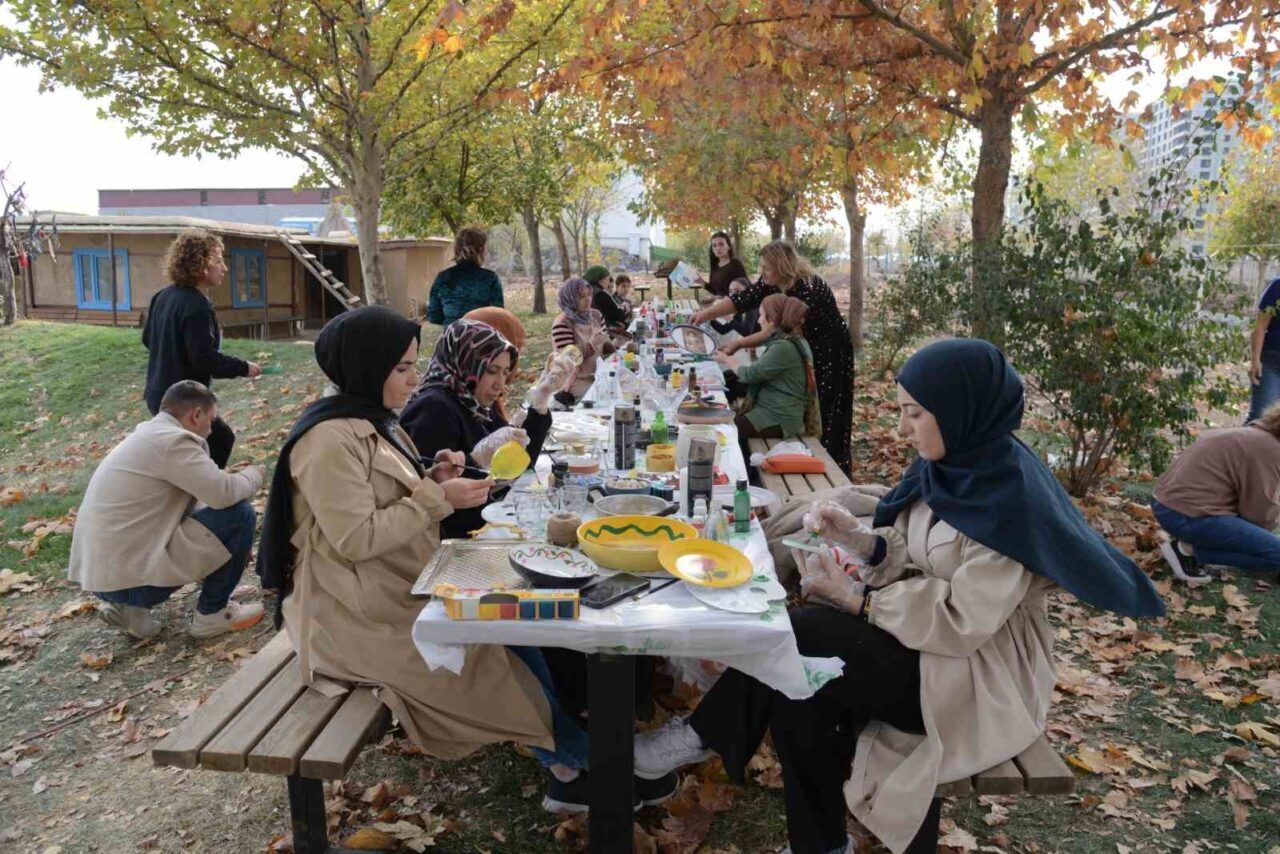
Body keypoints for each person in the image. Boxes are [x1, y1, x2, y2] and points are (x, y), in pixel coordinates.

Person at [633, 339, 1165, 854]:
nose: (903, 427)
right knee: (799, 691)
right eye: (901, 412)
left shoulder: (1009, 503)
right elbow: (916, 553)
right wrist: (858, 539)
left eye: (915, 414)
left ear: (959, 410)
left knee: (800, 633)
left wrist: (856, 601)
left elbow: (963, 622)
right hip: (924, 644)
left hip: (976, 674)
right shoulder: (954, 464)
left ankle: (697, 737)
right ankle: (819, 844)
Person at [255, 306, 654, 812]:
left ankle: (571, 751)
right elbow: (355, 537)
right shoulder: (328, 441)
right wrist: (437, 498)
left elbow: (392, 501)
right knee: (487, 653)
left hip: (396, 582)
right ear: (365, 366)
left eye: (413, 366)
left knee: (510, 626)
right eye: (400, 368)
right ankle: (582, 764)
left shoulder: (367, 420)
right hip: (352, 614)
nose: (413, 378)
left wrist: (437, 479)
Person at [67, 380, 264, 640]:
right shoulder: (173, 442)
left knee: (212, 519)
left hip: (104, 578)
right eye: (211, 419)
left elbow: (201, 504)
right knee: (239, 514)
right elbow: (224, 494)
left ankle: (130, 611)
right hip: (131, 583)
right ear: (196, 415)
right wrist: (254, 474)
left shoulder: (149, 436)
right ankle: (212, 613)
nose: (210, 428)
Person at [401, 318, 573, 539]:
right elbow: (441, 508)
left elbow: (520, 462)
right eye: (491, 371)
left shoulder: (473, 400)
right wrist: (475, 461)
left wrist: (541, 400)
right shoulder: (433, 409)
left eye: (504, 372)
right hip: (458, 541)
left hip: (487, 526)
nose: (500, 384)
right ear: (465, 363)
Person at [694, 240, 854, 473]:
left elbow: (773, 331)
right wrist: (706, 314)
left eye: (766, 268)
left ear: (782, 266)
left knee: (827, 406)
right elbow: (742, 300)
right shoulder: (772, 282)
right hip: (802, 344)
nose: (762, 273)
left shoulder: (806, 289)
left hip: (830, 349)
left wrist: (738, 344)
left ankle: (828, 462)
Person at [143, 229, 262, 469]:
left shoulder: (162, 296)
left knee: (190, 454)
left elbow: (148, 339)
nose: (224, 268)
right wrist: (244, 367)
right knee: (220, 440)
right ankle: (205, 498)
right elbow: (205, 360)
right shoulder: (196, 304)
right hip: (182, 404)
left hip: (157, 394)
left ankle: (192, 497)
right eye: (218, 261)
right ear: (200, 263)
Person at [1151, 401, 1280, 584]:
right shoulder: (1271, 450)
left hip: (1168, 504)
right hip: (1186, 515)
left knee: (1264, 540)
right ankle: (1188, 550)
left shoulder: (1255, 435)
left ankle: (1198, 546)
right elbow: (1259, 515)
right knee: (1276, 555)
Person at [714, 293, 814, 462]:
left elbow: (750, 375)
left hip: (778, 418)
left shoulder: (783, 347)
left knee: (727, 431)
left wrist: (727, 360)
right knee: (728, 424)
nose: (759, 320)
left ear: (772, 319)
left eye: (761, 315)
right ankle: (745, 470)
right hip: (775, 412)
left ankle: (741, 475)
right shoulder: (790, 339)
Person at [426, 226, 504, 327]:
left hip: (451, 340)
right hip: (482, 339)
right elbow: (499, 316)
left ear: (456, 249)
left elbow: (434, 317)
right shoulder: (490, 279)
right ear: (481, 250)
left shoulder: (443, 278)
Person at [552, 277, 615, 400]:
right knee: (605, 399)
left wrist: (615, 343)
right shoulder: (562, 324)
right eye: (581, 297)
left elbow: (605, 347)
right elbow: (569, 361)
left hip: (600, 374)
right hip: (577, 380)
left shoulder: (596, 315)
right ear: (570, 299)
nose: (588, 300)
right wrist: (591, 345)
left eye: (589, 294)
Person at [1247, 275, 1280, 422]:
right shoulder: (1277, 286)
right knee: (1261, 418)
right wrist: (1255, 360)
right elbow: (1260, 326)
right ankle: (1238, 444)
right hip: (1271, 362)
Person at [696, 231, 749, 298]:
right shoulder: (715, 266)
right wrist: (701, 281)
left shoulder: (735, 264)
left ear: (729, 246)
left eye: (721, 244)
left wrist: (723, 299)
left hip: (732, 306)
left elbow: (745, 289)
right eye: (714, 245)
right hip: (718, 303)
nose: (717, 248)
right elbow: (715, 291)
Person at [583, 265, 629, 331]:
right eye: (608, 278)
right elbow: (618, 315)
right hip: (602, 332)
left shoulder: (585, 291)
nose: (608, 282)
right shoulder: (600, 294)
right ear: (601, 279)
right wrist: (624, 308)